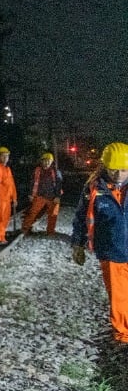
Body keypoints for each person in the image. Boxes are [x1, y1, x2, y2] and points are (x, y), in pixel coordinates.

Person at [71, 142, 128, 345]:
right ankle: (123, 336)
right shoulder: (94, 188)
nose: (119, 175)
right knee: (119, 296)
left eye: (124, 170)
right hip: (112, 252)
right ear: (104, 166)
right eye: (114, 169)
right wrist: (77, 244)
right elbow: (81, 218)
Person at [22, 151, 65, 235]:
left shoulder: (56, 172)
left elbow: (59, 185)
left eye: (48, 161)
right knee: (32, 212)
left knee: (53, 215)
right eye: (44, 161)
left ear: (51, 162)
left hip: (53, 197)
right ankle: (25, 229)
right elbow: (32, 182)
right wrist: (31, 194)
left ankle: (50, 231)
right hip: (40, 196)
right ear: (41, 161)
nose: (46, 163)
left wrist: (57, 197)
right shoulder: (37, 171)